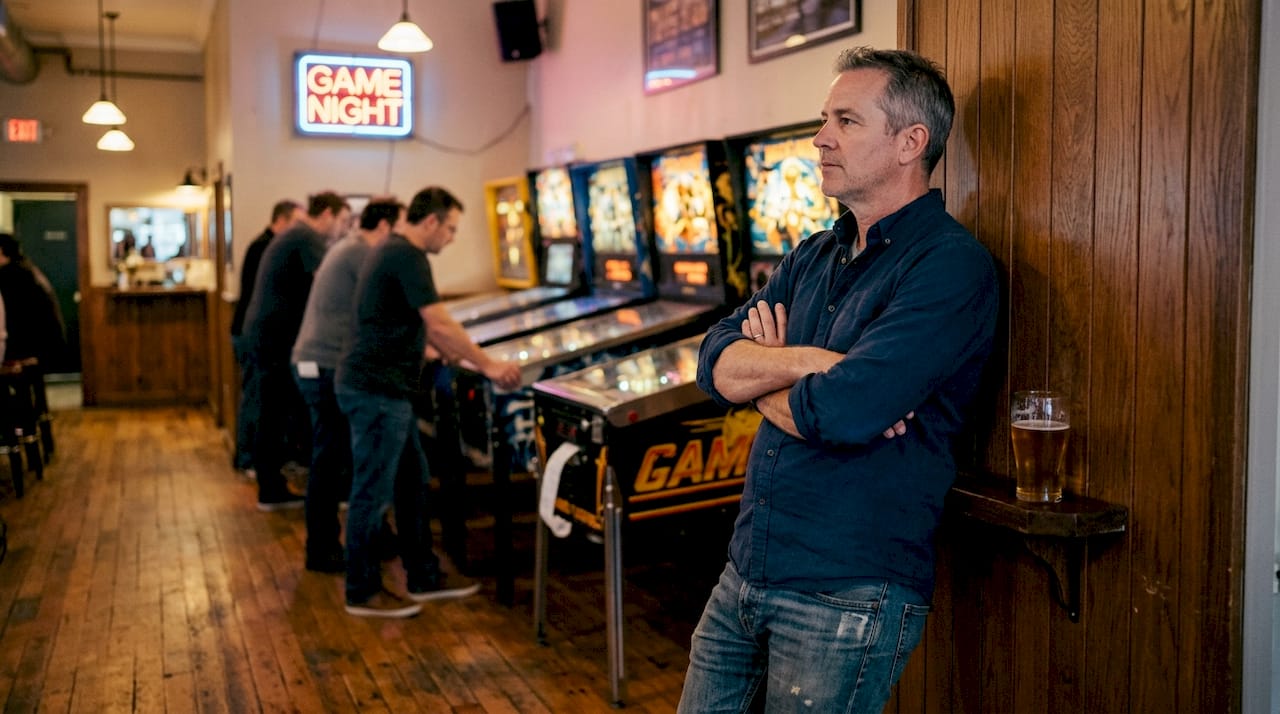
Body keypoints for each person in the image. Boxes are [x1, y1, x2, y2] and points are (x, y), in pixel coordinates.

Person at [679, 47, 1000, 713]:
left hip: (846, 591)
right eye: (824, 119)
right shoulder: (813, 254)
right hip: (746, 568)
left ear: (912, 142)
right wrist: (811, 364)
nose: (821, 138)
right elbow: (712, 359)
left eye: (846, 121)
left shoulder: (949, 266)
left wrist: (770, 375)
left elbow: (849, 410)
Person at [335, 186, 521, 618]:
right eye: (451, 228)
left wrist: (450, 352)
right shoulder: (405, 255)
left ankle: (422, 575)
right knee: (372, 491)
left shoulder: (395, 252)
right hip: (376, 390)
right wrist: (489, 365)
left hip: (382, 388)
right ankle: (360, 591)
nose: (452, 238)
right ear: (431, 221)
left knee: (411, 483)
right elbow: (436, 319)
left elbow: (420, 326)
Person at [291, 197, 402, 573]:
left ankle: (366, 539)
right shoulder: (362, 254)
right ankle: (322, 549)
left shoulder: (350, 247)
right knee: (330, 459)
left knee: (341, 457)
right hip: (322, 364)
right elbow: (386, 311)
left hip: (317, 362)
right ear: (385, 227)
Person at [241, 192, 351, 511]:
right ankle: (272, 489)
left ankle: (272, 485)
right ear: (327, 214)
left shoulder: (296, 236)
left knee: (273, 413)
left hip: (269, 336)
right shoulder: (307, 237)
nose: (343, 229)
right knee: (273, 414)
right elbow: (328, 286)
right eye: (343, 221)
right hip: (275, 339)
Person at [231, 199, 301, 473]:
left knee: (258, 397)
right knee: (255, 397)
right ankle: (248, 459)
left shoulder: (266, 245)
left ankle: (258, 458)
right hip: (252, 335)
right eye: (295, 224)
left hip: (250, 332)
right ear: (281, 220)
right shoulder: (265, 247)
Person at [0, 233, 66, 368]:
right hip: (42, 341)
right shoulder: (25, 268)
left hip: (30, 344)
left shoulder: (12, 274)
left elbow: (15, 317)